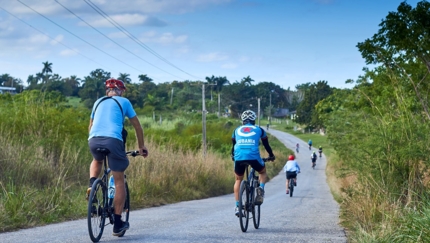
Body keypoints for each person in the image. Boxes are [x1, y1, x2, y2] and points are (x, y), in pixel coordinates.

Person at [86, 78, 148, 236]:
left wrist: (96, 141)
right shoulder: (124, 101)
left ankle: (92, 185)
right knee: (119, 180)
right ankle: (118, 223)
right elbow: (137, 126)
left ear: (107, 91)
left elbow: (91, 125)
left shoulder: (98, 102)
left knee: (97, 159)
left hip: (93, 139)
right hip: (113, 140)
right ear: (120, 91)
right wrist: (141, 147)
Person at [232, 110, 275, 217]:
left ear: (243, 121)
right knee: (262, 172)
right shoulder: (259, 129)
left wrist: (233, 156)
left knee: (238, 180)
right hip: (253, 157)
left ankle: (238, 206)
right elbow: (266, 145)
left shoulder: (236, 130)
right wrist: (271, 155)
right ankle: (261, 188)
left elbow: (233, 147)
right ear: (254, 120)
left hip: (239, 157)